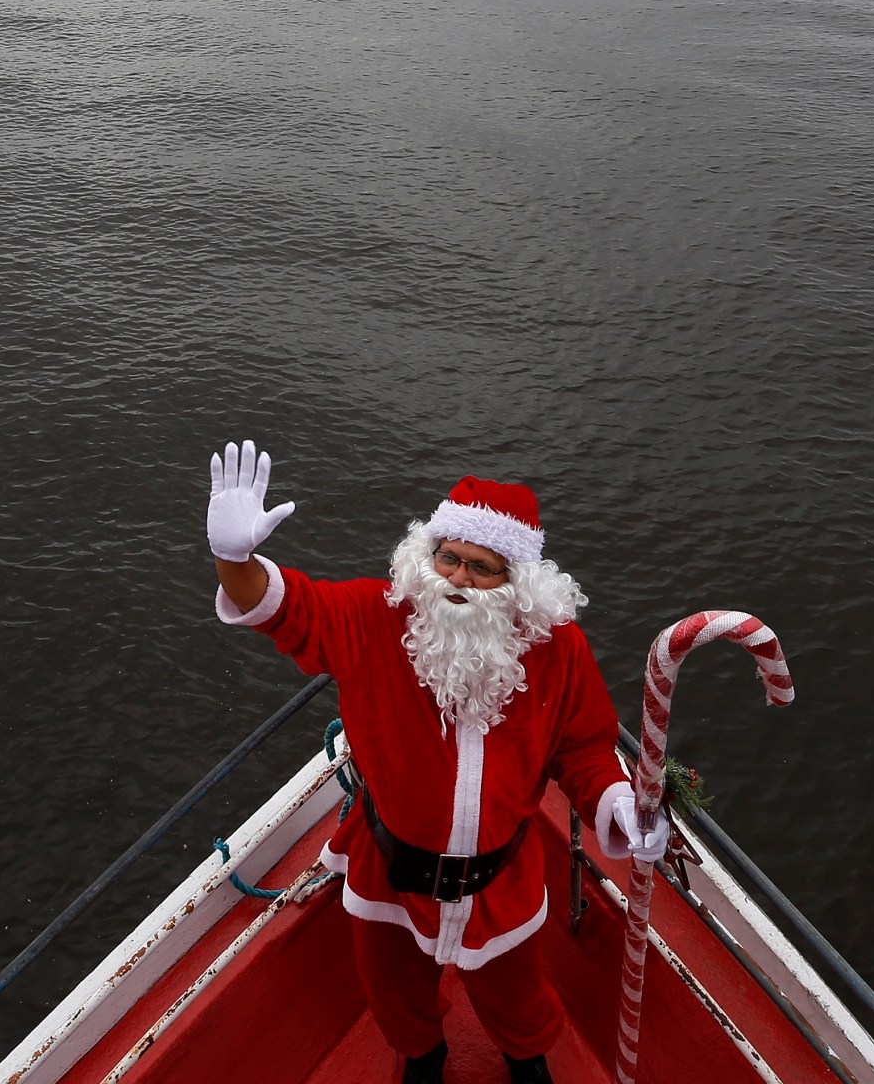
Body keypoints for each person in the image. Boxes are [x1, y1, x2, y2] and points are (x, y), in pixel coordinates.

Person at [204, 441, 670, 1084]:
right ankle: (424, 1060)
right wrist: (234, 557)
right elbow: (284, 608)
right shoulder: (375, 617)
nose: (457, 578)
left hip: (499, 881)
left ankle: (525, 1060)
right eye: (447, 557)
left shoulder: (557, 649)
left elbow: (584, 747)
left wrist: (616, 802)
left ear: (518, 583)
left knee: (517, 998)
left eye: (481, 567)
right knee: (396, 993)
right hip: (388, 869)